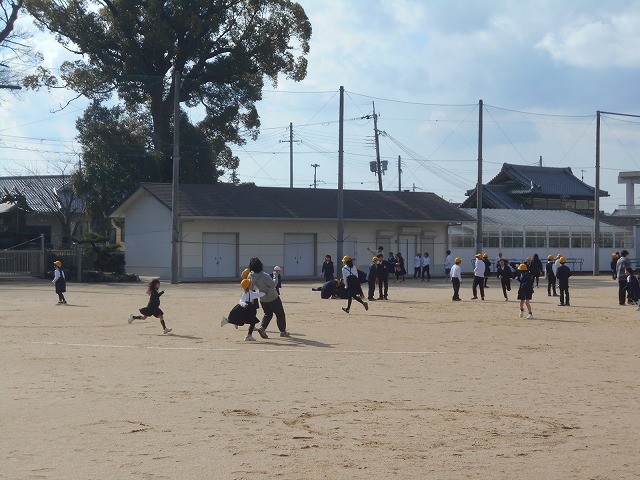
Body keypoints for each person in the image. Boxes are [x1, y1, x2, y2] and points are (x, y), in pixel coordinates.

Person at [248, 257, 289, 338]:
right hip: (273, 296)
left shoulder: (250, 276)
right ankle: (283, 331)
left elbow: (251, 288)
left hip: (262, 298)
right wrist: (275, 276)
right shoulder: (265, 275)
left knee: (268, 314)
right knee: (280, 314)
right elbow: (273, 285)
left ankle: (262, 327)